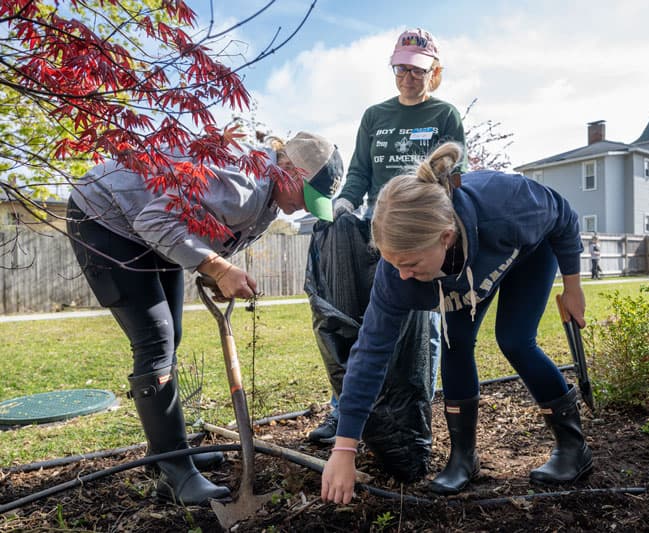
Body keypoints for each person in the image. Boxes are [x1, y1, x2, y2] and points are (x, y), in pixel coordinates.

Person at [67, 132, 343, 506]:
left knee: (169, 336)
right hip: (106, 219)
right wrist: (216, 266)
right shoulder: (242, 184)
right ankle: (175, 472)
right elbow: (154, 219)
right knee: (154, 339)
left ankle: (167, 453)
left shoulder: (268, 199)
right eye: (306, 195)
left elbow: (195, 224)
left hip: (142, 232)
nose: (302, 208)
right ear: (290, 170)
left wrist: (215, 269)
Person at [321, 142, 593, 504]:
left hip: (525, 252)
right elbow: (370, 354)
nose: (401, 276)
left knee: (515, 340)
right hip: (458, 276)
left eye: (411, 264)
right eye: (393, 263)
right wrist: (344, 447)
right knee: (454, 342)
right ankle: (464, 458)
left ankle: (574, 449)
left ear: (445, 238)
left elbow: (564, 216)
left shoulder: (508, 205)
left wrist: (572, 287)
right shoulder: (398, 276)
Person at [308, 27, 466, 444]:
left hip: (420, 231)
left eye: (416, 70)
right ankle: (344, 410)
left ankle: (413, 417)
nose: (407, 78)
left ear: (433, 71)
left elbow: (453, 177)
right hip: (378, 235)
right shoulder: (375, 116)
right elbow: (360, 170)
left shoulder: (445, 115)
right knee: (361, 324)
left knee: (422, 325)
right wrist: (344, 204)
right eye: (400, 68)